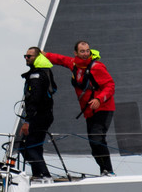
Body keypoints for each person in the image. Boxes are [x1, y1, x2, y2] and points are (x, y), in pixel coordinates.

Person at [44, 40, 115, 175]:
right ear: (76, 53)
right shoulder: (74, 64)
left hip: (103, 108)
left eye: (87, 51)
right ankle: (104, 171)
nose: (85, 54)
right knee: (94, 144)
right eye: (82, 51)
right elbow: (61, 59)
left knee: (97, 139)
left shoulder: (97, 67)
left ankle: (108, 171)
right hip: (89, 111)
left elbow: (110, 86)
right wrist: (44, 54)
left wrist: (99, 99)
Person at [17, 46, 55, 179]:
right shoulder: (45, 72)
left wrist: (27, 121)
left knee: (26, 146)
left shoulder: (36, 76)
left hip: (38, 116)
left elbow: (34, 99)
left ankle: (44, 175)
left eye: (29, 56)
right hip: (45, 115)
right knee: (35, 146)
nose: (26, 59)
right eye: (25, 56)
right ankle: (38, 174)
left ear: (37, 57)